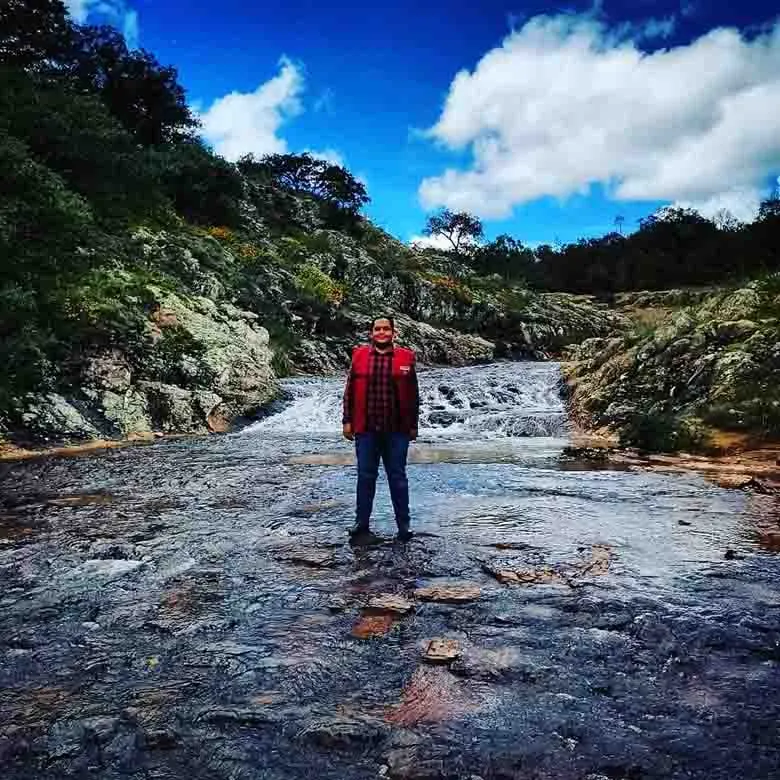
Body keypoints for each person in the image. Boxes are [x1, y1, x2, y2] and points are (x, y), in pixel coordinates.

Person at [342, 316, 420, 542]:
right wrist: (347, 421)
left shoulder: (406, 357)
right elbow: (349, 391)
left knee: (398, 478)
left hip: (397, 430)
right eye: (378, 329)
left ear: (393, 333)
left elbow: (414, 395)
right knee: (365, 477)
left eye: (386, 329)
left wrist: (413, 425)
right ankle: (361, 525)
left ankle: (404, 526)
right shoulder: (359, 356)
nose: (382, 332)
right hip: (366, 429)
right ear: (372, 333)